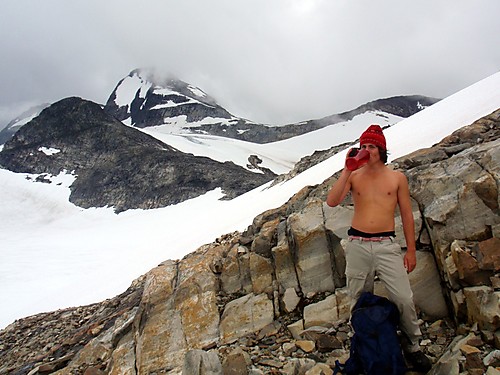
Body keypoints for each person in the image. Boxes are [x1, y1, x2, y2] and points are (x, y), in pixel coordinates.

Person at [326, 124, 432, 373]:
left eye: (371, 146)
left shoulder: (396, 178)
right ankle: (364, 344)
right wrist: (347, 168)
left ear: (381, 149)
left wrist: (411, 250)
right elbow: (332, 201)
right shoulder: (354, 175)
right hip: (358, 244)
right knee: (357, 297)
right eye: (363, 146)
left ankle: (413, 346)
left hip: (386, 245)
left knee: (404, 298)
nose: (366, 150)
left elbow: (406, 215)